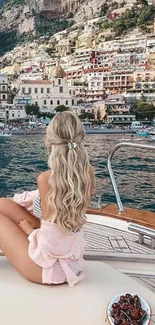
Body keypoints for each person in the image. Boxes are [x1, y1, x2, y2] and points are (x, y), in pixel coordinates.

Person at [0, 111, 94, 286]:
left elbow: (52, 242)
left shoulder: (46, 179)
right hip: (69, 256)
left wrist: (30, 232)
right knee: (3, 204)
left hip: (49, 268)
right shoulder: (87, 172)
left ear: (50, 140)